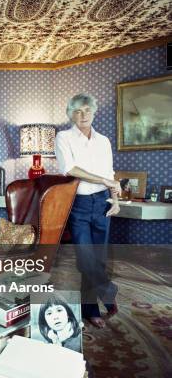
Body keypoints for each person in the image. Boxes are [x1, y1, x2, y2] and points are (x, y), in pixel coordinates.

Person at [55, 93, 120, 328]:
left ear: (93, 112)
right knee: (85, 258)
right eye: (77, 111)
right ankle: (109, 290)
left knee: (98, 259)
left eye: (86, 110)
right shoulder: (63, 137)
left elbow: (110, 174)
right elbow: (69, 168)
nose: (82, 115)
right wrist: (103, 179)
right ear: (70, 114)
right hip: (79, 205)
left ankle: (90, 310)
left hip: (103, 202)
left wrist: (115, 200)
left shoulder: (103, 141)